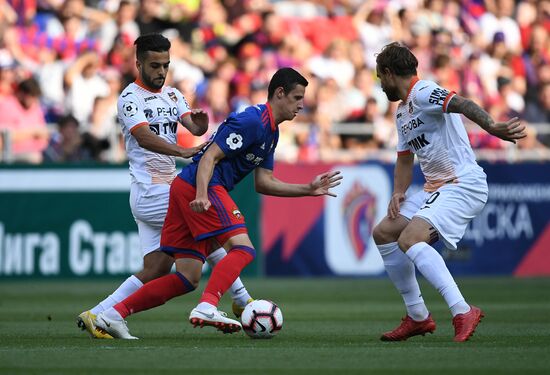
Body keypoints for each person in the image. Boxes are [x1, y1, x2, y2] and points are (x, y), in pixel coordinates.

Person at [95, 67, 342, 339]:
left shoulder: (271, 133)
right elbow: (210, 157)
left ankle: (113, 314)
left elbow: (264, 182)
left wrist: (307, 189)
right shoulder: (253, 122)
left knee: (187, 277)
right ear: (279, 93)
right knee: (243, 249)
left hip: (184, 188)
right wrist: (202, 193)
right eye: (297, 97)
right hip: (201, 186)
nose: (301, 105)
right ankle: (208, 305)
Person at [77, 33, 254, 339]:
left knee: (155, 268)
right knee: (209, 234)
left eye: (166, 65)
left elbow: (191, 124)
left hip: (164, 191)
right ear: (138, 63)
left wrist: (197, 126)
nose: (161, 71)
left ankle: (99, 314)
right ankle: (242, 300)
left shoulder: (173, 95)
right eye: (154, 65)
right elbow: (144, 136)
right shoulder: (129, 98)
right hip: (152, 191)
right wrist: (182, 151)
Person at [372, 42, 526, 342]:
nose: (381, 86)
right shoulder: (403, 111)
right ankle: (418, 317)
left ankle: (462, 310)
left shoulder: (424, 91)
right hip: (435, 187)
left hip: (462, 184)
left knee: (410, 238)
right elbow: (405, 158)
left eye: (380, 78)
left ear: (390, 73)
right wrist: (397, 192)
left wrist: (492, 126)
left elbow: (463, 103)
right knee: (385, 232)